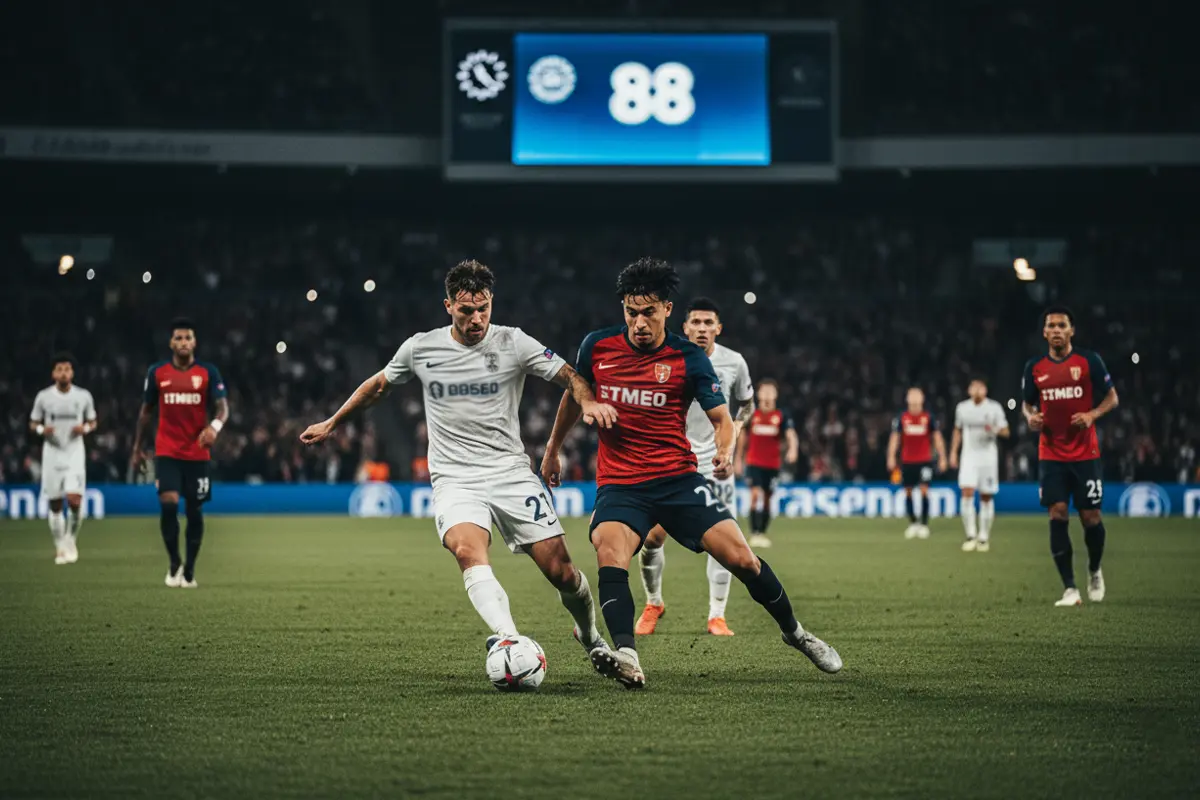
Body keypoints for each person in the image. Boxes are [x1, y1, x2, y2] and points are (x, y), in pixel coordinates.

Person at [542, 258, 842, 690]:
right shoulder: (598, 347)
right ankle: (627, 654)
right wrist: (553, 450)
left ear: (667, 309)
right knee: (609, 551)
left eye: (648, 312)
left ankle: (796, 633)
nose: (639, 323)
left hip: (678, 481)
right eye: (631, 312)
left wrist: (724, 451)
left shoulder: (688, 358)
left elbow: (722, 419)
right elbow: (576, 394)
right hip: (621, 484)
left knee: (743, 559)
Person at [300, 260, 616, 663]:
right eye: (466, 310)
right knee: (468, 551)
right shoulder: (421, 347)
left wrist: (587, 403)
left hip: (510, 473)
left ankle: (590, 636)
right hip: (455, 479)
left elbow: (570, 375)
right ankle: (509, 640)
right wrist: (332, 422)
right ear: (448, 305)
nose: (476, 319)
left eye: (483, 308)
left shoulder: (513, 342)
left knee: (562, 572)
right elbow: (378, 386)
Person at [634, 297, 755, 638]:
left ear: (719, 328)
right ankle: (654, 602)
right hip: (670, 461)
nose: (702, 329)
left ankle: (717, 615)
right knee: (652, 538)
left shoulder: (734, 362)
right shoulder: (666, 357)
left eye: (708, 323)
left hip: (715, 464)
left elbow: (746, 405)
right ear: (685, 327)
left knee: (723, 543)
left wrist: (733, 437)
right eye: (696, 323)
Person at [1022, 306, 1118, 607]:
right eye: (1051, 325)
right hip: (1051, 453)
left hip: (1085, 453)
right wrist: (1030, 417)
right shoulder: (1034, 367)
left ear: (1071, 330)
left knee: (1090, 517)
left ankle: (1094, 569)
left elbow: (1112, 398)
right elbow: (1027, 404)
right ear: (1044, 332)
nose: (1056, 330)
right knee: (1058, 513)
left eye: (1062, 325)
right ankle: (1069, 589)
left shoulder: (1089, 361)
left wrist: (1092, 415)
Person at [131, 318, 229, 588]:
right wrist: (137, 448)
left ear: (194, 342)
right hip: (167, 451)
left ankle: (190, 570)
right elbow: (145, 413)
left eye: (188, 338)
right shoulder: (157, 373)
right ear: (171, 343)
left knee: (194, 511)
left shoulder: (208, 373)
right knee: (169, 504)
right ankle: (174, 561)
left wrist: (214, 428)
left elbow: (223, 408)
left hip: (198, 453)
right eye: (179, 338)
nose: (184, 342)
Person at [29, 353, 97, 564]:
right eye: (59, 369)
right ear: (53, 374)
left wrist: (85, 428)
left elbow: (93, 421)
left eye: (67, 369)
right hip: (52, 453)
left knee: (74, 500)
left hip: (74, 452)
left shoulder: (83, 396)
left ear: (72, 373)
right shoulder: (43, 397)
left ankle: (70, 540)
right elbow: (33, 422)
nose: (63, 373)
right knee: (55, 504)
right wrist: (42, 430)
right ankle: (59, 546)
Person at [735, 380, 799, 548]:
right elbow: (742, 436)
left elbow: (791, 434)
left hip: (772, 464)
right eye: (764, 391)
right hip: (754, 462)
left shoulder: (781, 415)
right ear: (758, 394)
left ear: (776, 395)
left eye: (771, 391)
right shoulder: (752, 414)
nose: (768, 394)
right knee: (755, 495)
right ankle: (754, 532)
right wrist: (738, 459)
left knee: (768, 499)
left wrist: (793, 449)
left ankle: (762, 532)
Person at [950, 378, 1010, 552]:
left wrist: (995, 429)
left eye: (980, 387)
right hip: (969, 456)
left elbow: (1006, 431)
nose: (977, 390)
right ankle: (970, 535)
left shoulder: (994, 408)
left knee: (986, 496)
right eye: (973, 387)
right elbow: (957, 430)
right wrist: (953, 452)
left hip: (988, 458)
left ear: (985, 390)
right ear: (969, 390)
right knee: (967, 492)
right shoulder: (962, 408)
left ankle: (983, 536)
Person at [887, 388, 947, 539]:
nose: (914, 399)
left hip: (924, 460)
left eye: (917, 396)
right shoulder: (902, 418)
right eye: (911, 396)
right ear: (907, 399)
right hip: (907, 460)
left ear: (922, 399)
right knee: (908, 491)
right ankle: (913, 523)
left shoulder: (928, 417)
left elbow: (937, 438)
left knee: (924, 490)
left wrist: (942, 457)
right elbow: (895, 438)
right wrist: (891, 456)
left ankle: (924, 524)